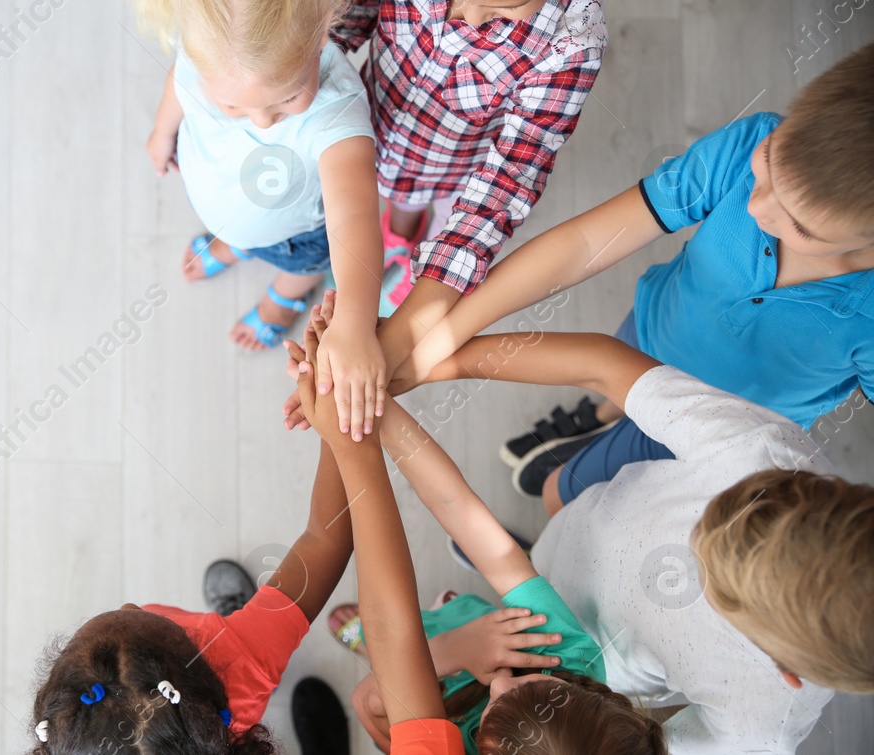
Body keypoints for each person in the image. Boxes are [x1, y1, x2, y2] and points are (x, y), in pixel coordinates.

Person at [383, 41, 874, 513]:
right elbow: (581, 245)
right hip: (650, 326)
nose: (755, 203)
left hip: (702, 421)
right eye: (768, 163)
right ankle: (597, 417)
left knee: (568, 497)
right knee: (608, 386)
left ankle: (547, 544)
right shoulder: (745, 143)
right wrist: (435, 336)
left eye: (800, 224)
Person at [396, 326, 874, 753]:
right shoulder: (761, 454)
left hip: (578, 675)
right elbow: (604, 365)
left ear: (789, 674)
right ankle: (523, 559)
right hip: (586, 522)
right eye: (714, 518)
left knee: (516, 593)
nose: (682, 558)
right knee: (549, 509)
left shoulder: (762, 724)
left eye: (712, 584)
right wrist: (431, 363)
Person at [295, 296, 665, 755]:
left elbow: (368, 699)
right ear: (598, 700)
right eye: (522, 687)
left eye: (493, 711)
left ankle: (376, 643)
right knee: (426, 623)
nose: (496, 685)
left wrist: (456, 650)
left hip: (429, 657)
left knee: (389, 643)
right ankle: (420, 627)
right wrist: (369, 397)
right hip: (454, 639)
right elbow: (457, 506)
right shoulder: (569, 657)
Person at [24, 394, 360, 751]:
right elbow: (325, 538)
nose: (129, 606)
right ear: (209, 680)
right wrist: (340, 413)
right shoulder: (240, 657)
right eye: (134, 615)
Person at [139, 0, 389, 440]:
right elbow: (177, 83)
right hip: (228, 202)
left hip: (296, 236)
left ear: (321, 33)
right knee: (240, 225)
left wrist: (353, 320)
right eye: (233, 106)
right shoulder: (206, 48)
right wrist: (163, 132)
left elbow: (354, 218)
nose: (264, 120)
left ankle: (283, 297)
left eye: (289, 96)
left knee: (302, 265)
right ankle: (234, 241)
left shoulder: (336, 109)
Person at [327, 0, 607, 381]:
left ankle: (420, 258)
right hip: (380, 128)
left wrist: (410, 325)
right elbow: (338, 24)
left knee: (445, 216)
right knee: (400, 196)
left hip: (461, 170)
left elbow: (506, 181)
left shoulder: (571, 42)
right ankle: (402, 235)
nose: (471, 18)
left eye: (505, 9)